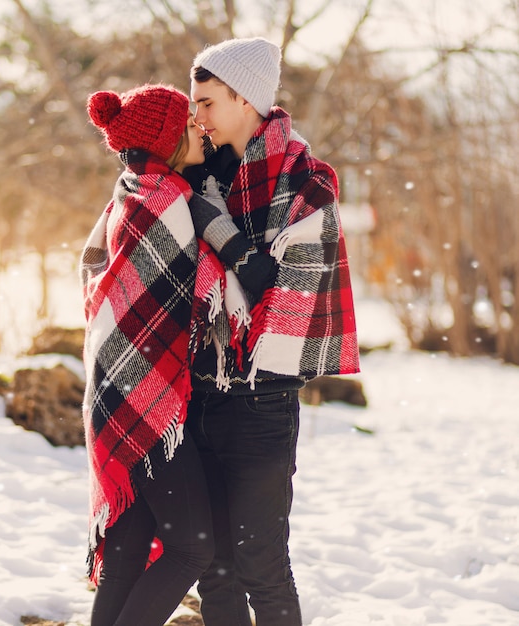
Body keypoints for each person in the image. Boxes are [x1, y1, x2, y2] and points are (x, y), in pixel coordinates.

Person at [182, 38, 361, 625]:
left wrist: (218, 232)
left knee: (259, 558)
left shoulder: (306, 184)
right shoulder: (197, 173)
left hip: (263, 397)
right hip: (201, 385)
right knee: (212, 563)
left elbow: (272, 288)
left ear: (245, 97)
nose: (198, 116)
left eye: (207, 102)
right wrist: (226, 237)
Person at [80, 83, 242, 626]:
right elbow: (201, 285)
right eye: (188, 123)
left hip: (114, 394)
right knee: (193, 549)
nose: (200, 127)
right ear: (169, 138)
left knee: (127, 555)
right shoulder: (166, 204)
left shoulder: (131, 192)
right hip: (146, 403)